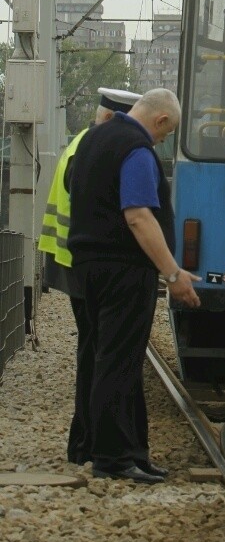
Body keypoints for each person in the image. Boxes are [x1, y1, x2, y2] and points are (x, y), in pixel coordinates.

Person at [67, 87, 201, 484]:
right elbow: (139, 216)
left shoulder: (92, 139)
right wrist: (173, 274)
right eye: (167, 133)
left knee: (101, 355)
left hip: (87, 267)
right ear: (160, 121)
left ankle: (122, 449)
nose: (163, 140)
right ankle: (113, 459)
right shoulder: (137, 150)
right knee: (119, 362)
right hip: (124, 270)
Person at [38, 86, 141, 465]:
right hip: (83, 262)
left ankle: (85, 442)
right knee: (99, 353)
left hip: (73, 260)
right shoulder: (95, 149)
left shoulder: (83, 142)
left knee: (94, 350)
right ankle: (89, 443)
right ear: (118, 119)